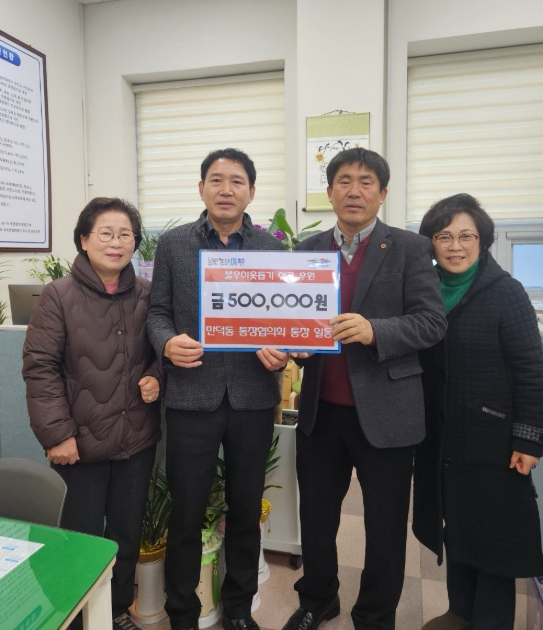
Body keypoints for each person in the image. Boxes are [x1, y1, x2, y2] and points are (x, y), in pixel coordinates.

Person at [281, 148, 447, 630]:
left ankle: (374, 615)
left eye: (366, 182)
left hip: (389, 412)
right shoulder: (307, 250)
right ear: (330, 192)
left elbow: (431, 322)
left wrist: (376, 331)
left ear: (383, 193)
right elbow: (295, 324)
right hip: (320, 412)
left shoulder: (410, 248)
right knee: (317, 518)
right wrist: (296, 347)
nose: (354, 190)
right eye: (345, 181)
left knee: (385, 526)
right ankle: (317, 600)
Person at [146, 148, 290, 630]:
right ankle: (183, 613)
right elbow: (157, 312)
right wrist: (167, 343)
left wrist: (282, 349)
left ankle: (239, 609)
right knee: (186, 512)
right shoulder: (173, 245)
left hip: (253, 398)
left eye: (237, 181)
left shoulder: (271, 250)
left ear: (252, 191)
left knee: (246, 509)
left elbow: (284, 320)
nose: (226, 189)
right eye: (216, 179)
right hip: (192, 396)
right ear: (201, 188)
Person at [22, 197, 162, 630]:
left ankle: (116, 611)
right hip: (79, 445)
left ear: (135, 243)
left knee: (125, 535)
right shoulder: (58, 295)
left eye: (125, 235)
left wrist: (157, 376)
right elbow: (40, 368)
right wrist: (57, 435)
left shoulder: (147, 294)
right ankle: (78, 617)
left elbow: (163, 350)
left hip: (135, 441)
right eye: (106, 233)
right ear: (84, 239)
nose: (116, 243)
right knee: (78, 539)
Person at [413, 193, 543, 630]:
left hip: (495, 440)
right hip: (444, 438)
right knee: (457, 525)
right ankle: (460, 611)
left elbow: (531, 370)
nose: (455, 246)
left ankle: (490, 621)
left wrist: (528, 439)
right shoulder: (425, 291)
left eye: (465, 236)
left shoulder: (506, 292)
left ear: (481, 240)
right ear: (431, 243)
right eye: (443, 236)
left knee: (494, 536)